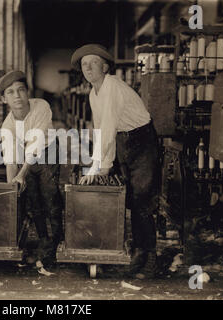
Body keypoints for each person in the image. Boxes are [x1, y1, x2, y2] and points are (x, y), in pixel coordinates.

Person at [71, 44, 160, 279]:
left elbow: (108, 127)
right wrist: (102, 166)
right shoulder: (93, 93)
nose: (88, 68)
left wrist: (98, 167)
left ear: (105, 67)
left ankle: (150, 260)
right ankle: (138, 253)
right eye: (84, 64)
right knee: (130, 200)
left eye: (93, 63)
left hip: (143, 141)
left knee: (142, 202)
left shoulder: (112, 87)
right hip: (123, 142)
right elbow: (100, 129)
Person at [0, 70, 63, 270]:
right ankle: (43, 240)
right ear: (4, 99)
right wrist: (11, 191)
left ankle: (57, 242)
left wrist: (21, 174)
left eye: (21, 90)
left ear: (27, 93)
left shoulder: (41, 107)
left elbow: (36, 144)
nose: (17, 96)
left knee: (50, 195)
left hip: (48, 152)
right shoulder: (8, 126)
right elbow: (11, 161)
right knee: (33, 199)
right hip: (26, 159)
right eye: (11, 92)